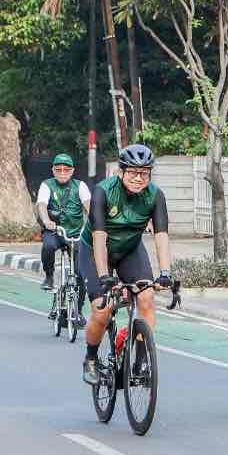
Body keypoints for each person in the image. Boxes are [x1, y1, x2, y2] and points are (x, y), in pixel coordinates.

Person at [81, 144, 173, 385]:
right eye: (132, 172)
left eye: (144, 173)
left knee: (147, 297)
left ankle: (141, 360)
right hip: (95, 250)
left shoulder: (155, 195)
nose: (138, 178)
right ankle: (91, 358)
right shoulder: (103, 192)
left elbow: (161, 235)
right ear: (121, 172)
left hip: (129, 249)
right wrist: (104, 276)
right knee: (102, 309)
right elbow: (99, 237)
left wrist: (165, 273)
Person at [36, 153, 92, 292]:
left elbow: (89, 206)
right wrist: (46, 221)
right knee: (48, 247)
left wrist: (95, 222)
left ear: (72, 171)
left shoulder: (80, 186)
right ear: (53, 170)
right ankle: (49, 276)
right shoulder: (47, 185)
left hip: (76, 233)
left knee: (81, 270)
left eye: (66, 170)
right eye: (58, 169)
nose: (62, 173)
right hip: (55, 231)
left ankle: (78, 304)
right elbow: (41, 205)